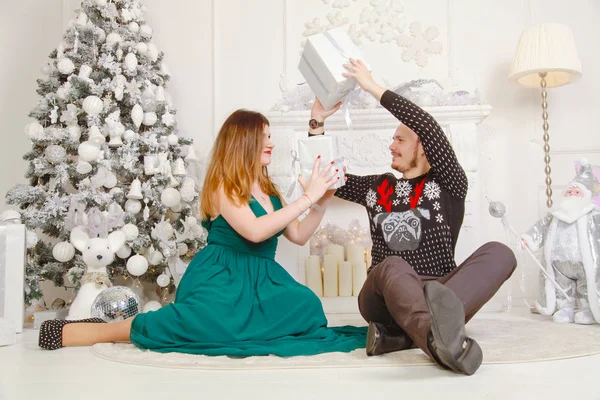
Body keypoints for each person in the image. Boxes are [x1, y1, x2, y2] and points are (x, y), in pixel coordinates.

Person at [39, 109, 366, 356]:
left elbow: (297, 234)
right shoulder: (225, 186)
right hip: (221, 275)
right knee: (205, 323)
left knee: (306, 305)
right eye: (264, 136)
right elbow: (254, 232)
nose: (272, 142)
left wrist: (321, 200)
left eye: (270, 136)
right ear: (243, 141)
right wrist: (307, 197)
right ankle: (90, 332)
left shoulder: (269, 190)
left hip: (263, 277)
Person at [307, 58, 517, 375]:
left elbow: (427, 125)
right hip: (384, 297)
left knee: (501, 253)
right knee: (392, 264)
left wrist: (371, 86)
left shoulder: (449, 183)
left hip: (443, 294)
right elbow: (325, 177)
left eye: (400, 139)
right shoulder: (376, 186)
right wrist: (315, 123)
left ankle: (406, 337)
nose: (391, 145)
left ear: (423, 147)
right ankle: (436, 336)